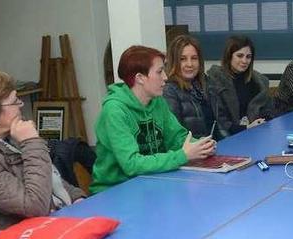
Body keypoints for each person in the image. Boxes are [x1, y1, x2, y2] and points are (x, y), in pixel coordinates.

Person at [0, 69, 85, 239]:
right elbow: (35, 206)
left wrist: (76, 197)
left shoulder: (1, 135)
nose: (21, 105)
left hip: (49, 225)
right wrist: (32, 142)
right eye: (14, 102)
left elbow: (47, 177)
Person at [90, 45, 216, 193]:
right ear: (140, 78)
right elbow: (132, 164)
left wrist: (201, 146)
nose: (165, 77)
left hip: (151, 181)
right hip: (115, 190)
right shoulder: (114, 111)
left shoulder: (157, 101)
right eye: (159, 72)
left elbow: (178, 138)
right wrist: (182, 156)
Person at [206, 35, 275, 135]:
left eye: (248, 57)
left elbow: (269, 110)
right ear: (229, 56)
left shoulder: (259, 82)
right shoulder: (216, 81)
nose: (244, 61)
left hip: (258, 133)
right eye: (239, 56)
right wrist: (246, 128)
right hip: (229, 136)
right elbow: (220, 120)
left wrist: (262, 121)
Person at [162, 35, 223, 140]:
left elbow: (220, 123)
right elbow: (174, 135)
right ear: (174, 61)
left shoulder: (206, 84)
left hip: (214, 147)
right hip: (193, 152)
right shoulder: (169, 90)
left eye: (194, 58)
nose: (189, 64)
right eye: (182, 59)